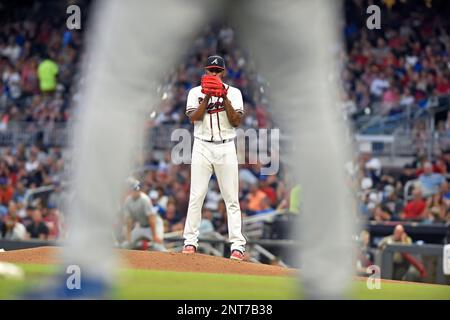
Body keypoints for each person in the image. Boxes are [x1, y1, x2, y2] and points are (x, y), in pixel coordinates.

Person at [182, 55, 246, 260]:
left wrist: (223, 96)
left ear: (223, 72)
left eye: (217, 71)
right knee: (196, 196)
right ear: (205, 71)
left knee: (231, 199)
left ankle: (237, 246)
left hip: (226, 147)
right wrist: (208, 96)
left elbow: (236, 121)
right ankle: (190, 242)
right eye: (211, 70)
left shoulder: (234, 93)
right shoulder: (195, 92)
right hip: (201, 146)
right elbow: (194, 118)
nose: (214, 74)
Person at [122, 178, 166, 251]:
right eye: (134, 190)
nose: (136, 191)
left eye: (137, 190)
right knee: (126, 244)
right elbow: (128, 220)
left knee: (158, 246)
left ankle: (168, 260)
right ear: (130, 190)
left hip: (155, 224)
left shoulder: (145, 199)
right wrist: (128, 237)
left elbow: (151, 219)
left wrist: (155, 236)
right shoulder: (128, 201)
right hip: (141, 226)